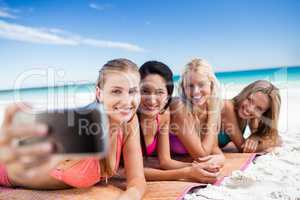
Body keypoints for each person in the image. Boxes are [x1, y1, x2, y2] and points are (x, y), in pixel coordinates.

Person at [0, 59, 146, 200]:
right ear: (99, 94)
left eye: (133, 91)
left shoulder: (129, 121)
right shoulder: (81, 127)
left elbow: (137, 180)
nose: (127, 101)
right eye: (116, 91)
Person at [138, 61, 219, 183]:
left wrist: (199, 168)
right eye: (145, 91)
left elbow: (165, 161)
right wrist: (187, 172)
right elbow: (130, 172)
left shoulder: (163, 115)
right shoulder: (130, 120)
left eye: (159, 92)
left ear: (168, 96)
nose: (152, 100)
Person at [169, 58, 225, 165]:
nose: (195, 92)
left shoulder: (210, 106)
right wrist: (213, 116)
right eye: (190, 86)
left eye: (201, 84)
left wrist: (221, 158)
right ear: (183, 88)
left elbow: (214, 148)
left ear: (211, 84)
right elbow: (201, 157)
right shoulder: (180, 108)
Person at [218, 80, 281, 153]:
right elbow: (243, 148)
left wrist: (254, 137)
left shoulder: (251, 117)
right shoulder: (227, 107)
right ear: (245, 94)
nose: (250, 109)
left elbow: (260, 133)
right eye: (249, 100)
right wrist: (272, 143)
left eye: (259, 108)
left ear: (264, 114)